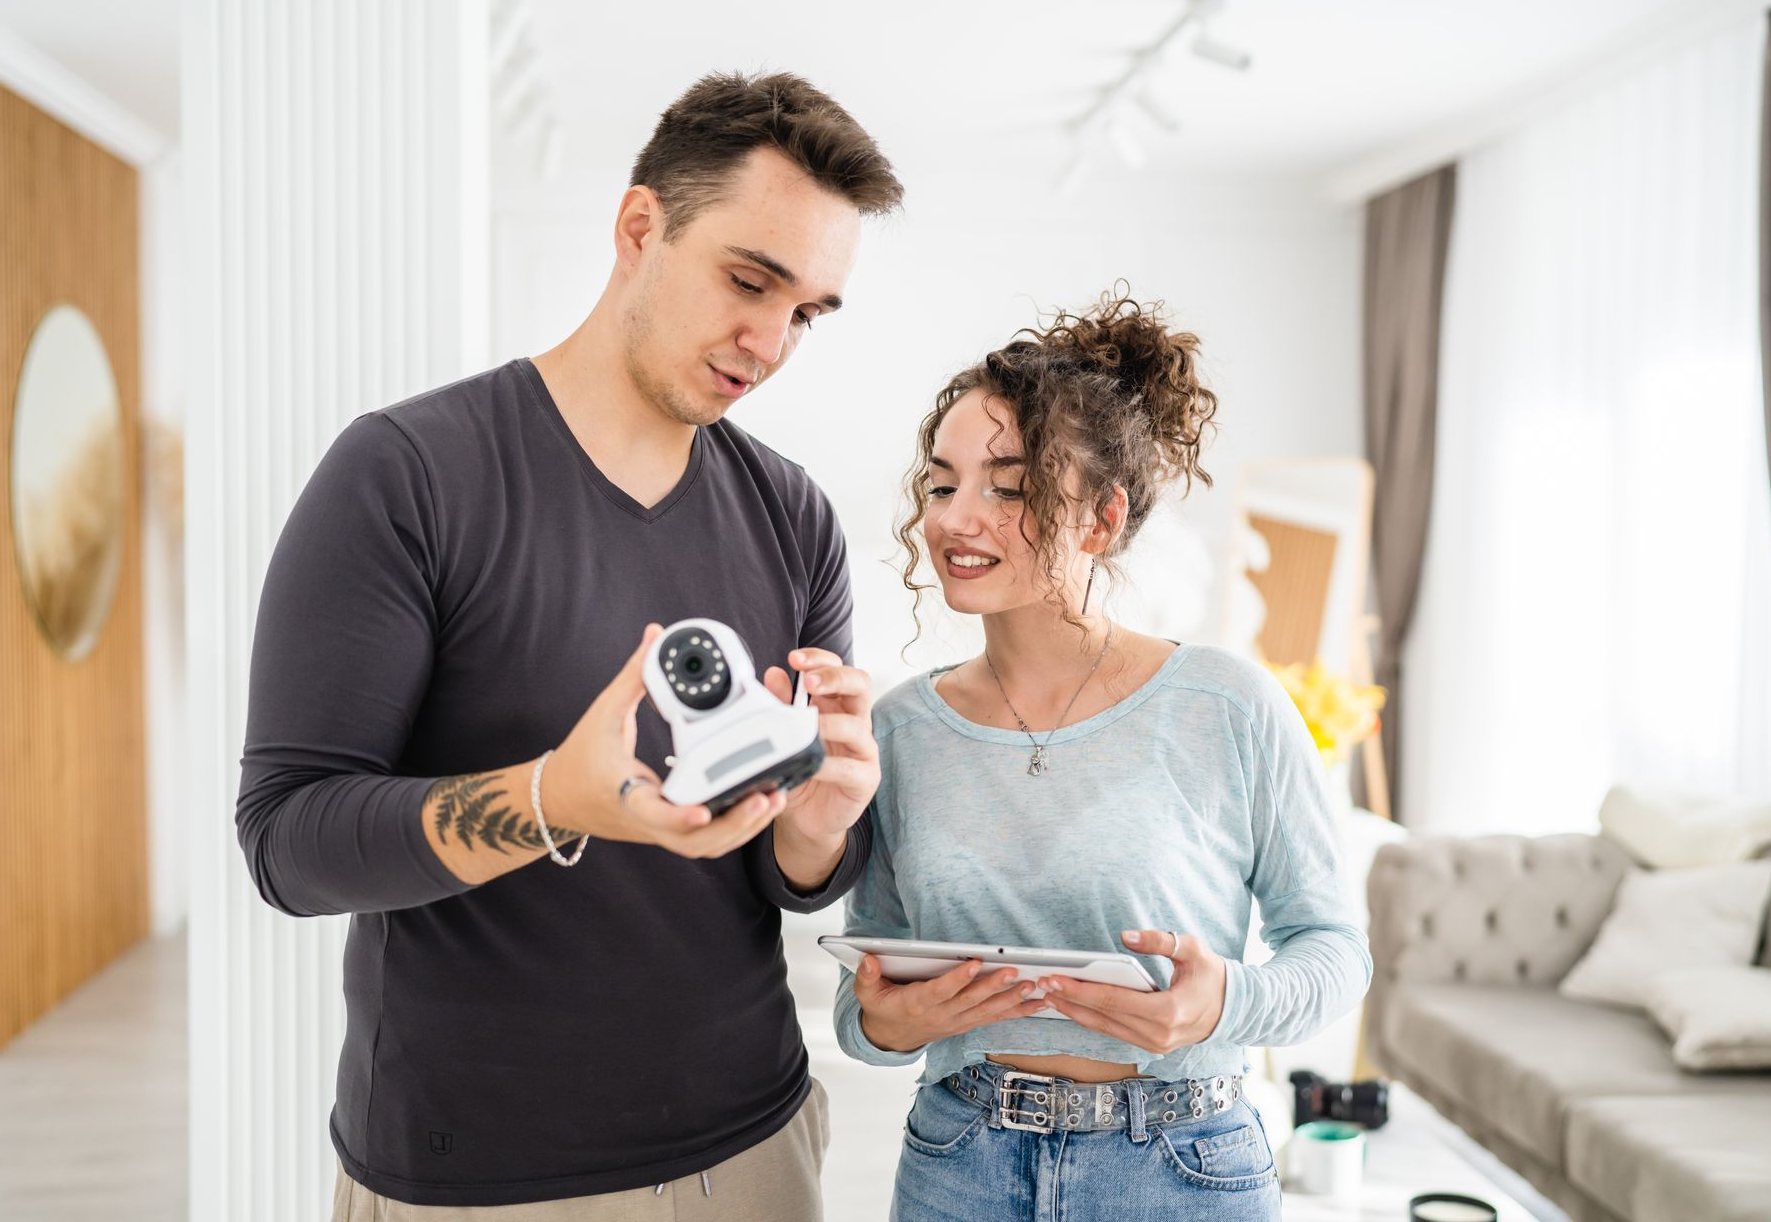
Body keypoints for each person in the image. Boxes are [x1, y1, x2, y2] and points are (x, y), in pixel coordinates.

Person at [237, 71, 900, 1220]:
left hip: (754, 1148)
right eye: (750, 280)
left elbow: (793, 878)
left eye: (808, 311)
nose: (772, 341)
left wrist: (818, 825)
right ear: (640, 227)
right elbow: (288, 840)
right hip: (476, 1171)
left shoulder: (795, 517)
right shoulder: (407, 475)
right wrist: (549, 798)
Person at [834, 290, 1373, 1220]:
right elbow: (861, 1004)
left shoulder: (1226, 704)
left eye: (1007, 486)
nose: (958, 518)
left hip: (1184, 1168)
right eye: (941, 482)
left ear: (1102, 519)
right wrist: (888, 1020)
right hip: (960, 1161)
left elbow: (1334, 952)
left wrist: (1219, 1005)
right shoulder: (899, 730)